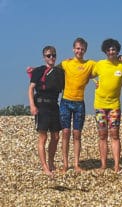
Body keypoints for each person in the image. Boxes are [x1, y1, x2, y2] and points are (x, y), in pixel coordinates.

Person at [92, 38, 122, 173]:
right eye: (109, 49)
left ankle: (117, 165)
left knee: (115, 134)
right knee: (102, 135)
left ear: (117, 50)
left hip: (114, 105)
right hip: (99, 105)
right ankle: (103, 164)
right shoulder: (99, 64)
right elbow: (88, 74)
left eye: (114, 49)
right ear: (105, 51)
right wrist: (96, 82)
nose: (111, 52)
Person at [58, 37, 96, 173]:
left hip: (79, 102)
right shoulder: (65, 63)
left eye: (82, 49)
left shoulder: (90, 64)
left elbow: (103, 68)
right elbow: (51, 71)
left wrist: (120, 58)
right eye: (78, 48)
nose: (80, 51)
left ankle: (76, 164)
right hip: (65, 101)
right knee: (66, 132)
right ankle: (65, 164)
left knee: (77, 134)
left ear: (85, 50)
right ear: (73, 49)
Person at [28, 45, 64, 177]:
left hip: (54, 106)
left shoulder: (59, 72)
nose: (52, 58)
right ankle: (44, 167)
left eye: (54, 55)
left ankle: (51, 162)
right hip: (41, 106)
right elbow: (31, 88)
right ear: (44, 57)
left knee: (56, 136)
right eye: (49, 55)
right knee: (43, 137)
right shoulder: (39, 71)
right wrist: (32, 105)